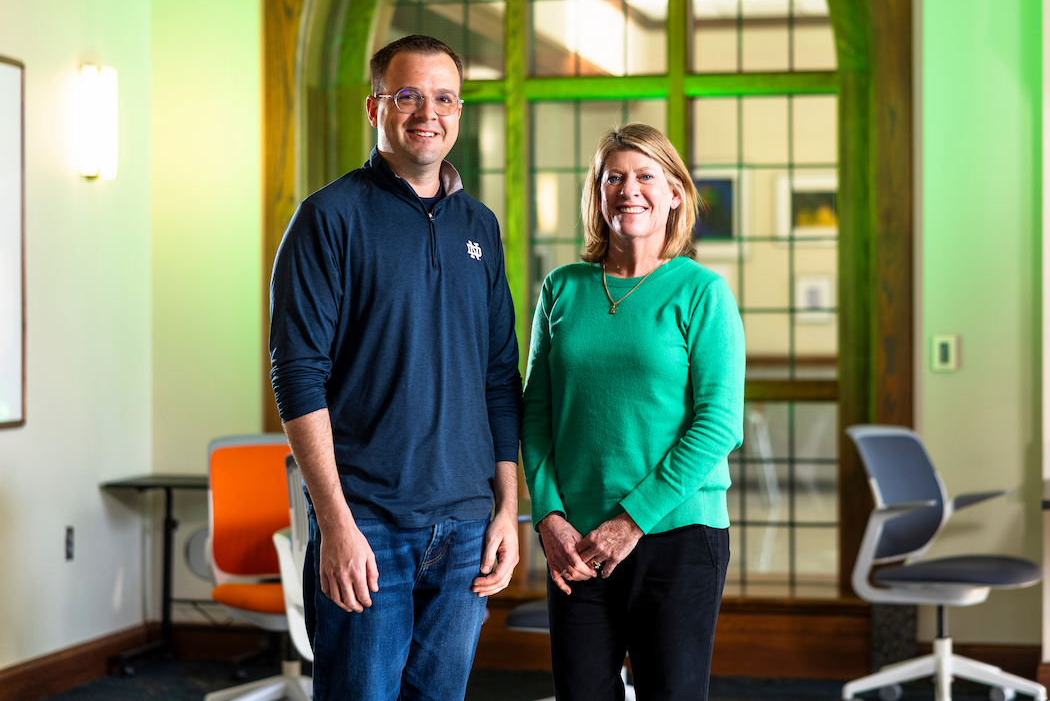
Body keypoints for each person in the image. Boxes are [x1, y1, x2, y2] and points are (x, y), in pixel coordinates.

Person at [269, 34, 522, 701]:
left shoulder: (481, 227)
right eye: (407, 95)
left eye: (443, 97)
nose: (426, 112)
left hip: (467, 522)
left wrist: (506, 510)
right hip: (368, 521)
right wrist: (337, 522)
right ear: (374, 106)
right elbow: (296, 376)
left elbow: (500, 375)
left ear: (459, 111)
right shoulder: (328, 218)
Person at [521, 123, 746, 701]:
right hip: (574, 542)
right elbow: (536, 414)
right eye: (613, 178)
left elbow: (719, 423)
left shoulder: (703, 292)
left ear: (675, 193)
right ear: (597, 194)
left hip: (677, 534)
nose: (629, 190)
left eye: (646, 176)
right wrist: (547, 516)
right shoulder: (561, 289)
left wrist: (631, 522)